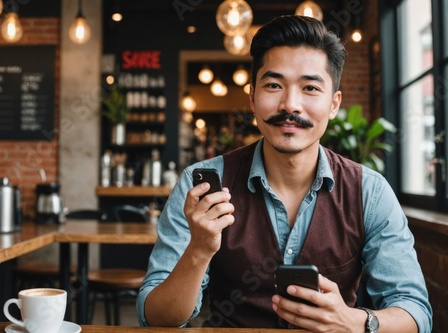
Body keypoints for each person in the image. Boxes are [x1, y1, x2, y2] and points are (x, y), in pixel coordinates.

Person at [136, 15, 432, 333]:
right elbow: (156, 316)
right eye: (274, 85)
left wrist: (355, 321)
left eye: (310, 88)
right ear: (252, 97)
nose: (290, 104)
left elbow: (415, 314)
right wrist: (199, 248)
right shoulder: (205, 184)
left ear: (334, 104)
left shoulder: (368, 192)